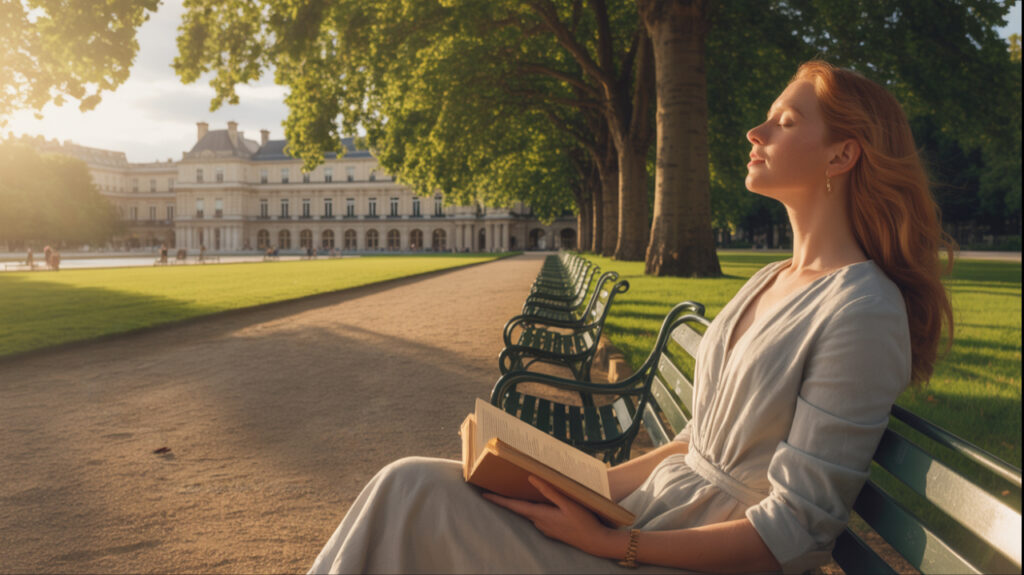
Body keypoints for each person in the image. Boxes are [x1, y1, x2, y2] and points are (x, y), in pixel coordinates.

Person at [307, 61, 954, 574]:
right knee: (414, 482)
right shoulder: (773, 279)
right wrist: (574, 484)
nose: (755, 134)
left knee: (411, 494)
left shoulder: (863, 309)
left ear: (842, 156)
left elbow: (796, 532)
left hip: (680, 554)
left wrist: (615, 544)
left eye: (784, 122)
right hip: (645, 520)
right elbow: (697, 441)